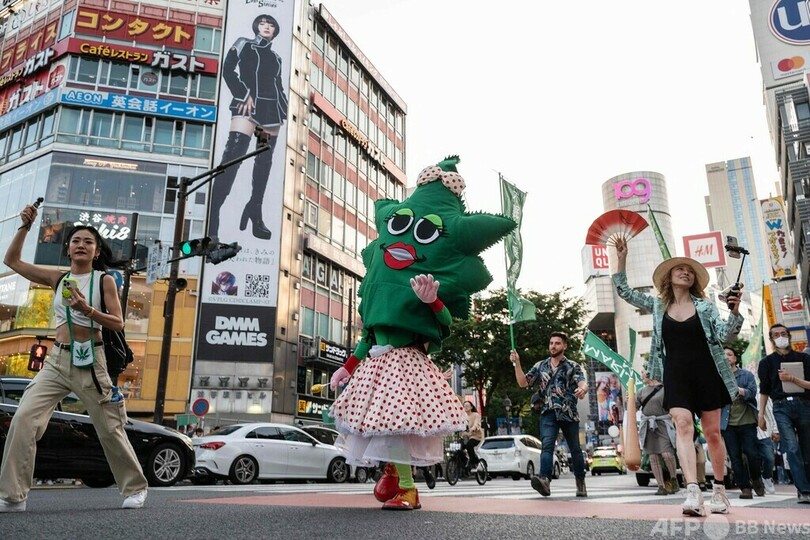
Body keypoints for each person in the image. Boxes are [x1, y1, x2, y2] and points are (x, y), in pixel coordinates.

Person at [327, 156, 515, 511]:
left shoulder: (425, 286)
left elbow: (444, 323)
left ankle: (408, 488)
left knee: (395, 427)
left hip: (406, 362)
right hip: (376, 364)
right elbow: (369, 336)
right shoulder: (377, 291)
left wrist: (432, 301)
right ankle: (394, 475)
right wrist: (347, 366)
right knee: (379, 426)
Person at [0, 205, 148, 512]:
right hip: (56, 361)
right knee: (24, 418)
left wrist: (87, 310)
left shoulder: (103, 280)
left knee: (109, 428)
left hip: (91, 363)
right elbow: (11, 261)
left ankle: (135, 487)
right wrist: (25, 227)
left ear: (96, 252)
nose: (81, 244)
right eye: (76, 240)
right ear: (68, 249)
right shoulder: (58, 279)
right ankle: (14, 495)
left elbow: (118, 323)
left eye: (88, 242)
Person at [613, 238, 743, 516]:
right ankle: (693, 491)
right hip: (676, 374)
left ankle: (719, 490)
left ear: (694, 279)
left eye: (690, 270)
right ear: (668, 278)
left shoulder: (706, 308)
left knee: (712, 434)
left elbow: (725, 335)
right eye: (679, 269)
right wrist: (622, 258)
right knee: (683, 426)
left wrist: (733, 311)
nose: (685, 272)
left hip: (708, 374)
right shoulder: (658, 305)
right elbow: (624, 291)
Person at [208, 14, 289, 240]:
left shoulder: (277, 57)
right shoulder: (242, 43)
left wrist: (283, 110)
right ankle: (212, 219)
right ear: (256, 26)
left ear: (275, 30)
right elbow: (227, 70)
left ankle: (256, 210)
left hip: (271, 113)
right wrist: (243, 94)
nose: (267, 27)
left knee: (264, 161)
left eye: (271, 24)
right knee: (233, 155)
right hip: (246, 107)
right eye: (263, 23)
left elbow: (279, 86)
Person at [511, 331, 589, 498]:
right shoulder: (541, 366)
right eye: (551, 343)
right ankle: (544, 480)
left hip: (569, 412)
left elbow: (582, 382)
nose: (553, 346)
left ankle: (580, 482)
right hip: (548, 412)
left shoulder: (572, 366)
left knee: (575, 449)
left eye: (557, 343)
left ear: (564, 346)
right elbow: (523, 382)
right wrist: (517, 363)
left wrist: (582, 389)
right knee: (546, 446)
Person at [757, 324, 810, 504]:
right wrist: (761, 414)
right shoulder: (766, 363)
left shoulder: (804, 358)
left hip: (804, 404)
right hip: (780, 407)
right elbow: (764, 391)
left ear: (789, 336)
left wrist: (792, 379)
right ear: (771, 339)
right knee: (792, 448)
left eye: (783, 334)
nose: (780, 337)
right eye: (776, 335)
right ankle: (803, 490)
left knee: (807, 449)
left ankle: (807, 485)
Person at [720, 347, 765, 499]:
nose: (726, 357)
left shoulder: (746, 375)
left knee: (752, 454)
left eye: (729, 355)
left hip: (747, 421)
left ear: (735, 359)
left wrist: (738, 390)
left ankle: (756, 478)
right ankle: (745, 487)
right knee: (735, 457)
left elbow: (752, 393)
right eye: (723, 355)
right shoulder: (718, 378)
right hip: (727, 424)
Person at [636, 369, 678, 495]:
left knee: (667, 454)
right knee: (653, 456)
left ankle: (673, 478)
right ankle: (661, 486)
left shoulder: (666, 389)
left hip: (663, 423)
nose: (642, 375)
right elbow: (635, 407)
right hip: (648, 426)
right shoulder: (641, 391)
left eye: (643, 372)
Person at [755, 391, 778, 494]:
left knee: (769, 457)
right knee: (751, 460)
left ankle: (767, 477)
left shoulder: (761, 394)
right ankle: (756, 482)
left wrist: (775, 430)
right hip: (747, 432)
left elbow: (770, 412)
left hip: (763, 432)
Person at [462, 402, 484, 469]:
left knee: (469, 445)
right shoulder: (463, 416)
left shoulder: (475, 415)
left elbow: (476, 424)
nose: (466, 407)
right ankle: (464, 461)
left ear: (471, 407)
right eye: (464, 406)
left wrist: (473, 428)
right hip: (466, 436)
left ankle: (473, 462)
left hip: (476, 436)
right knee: (459, 447)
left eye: (467, 406)